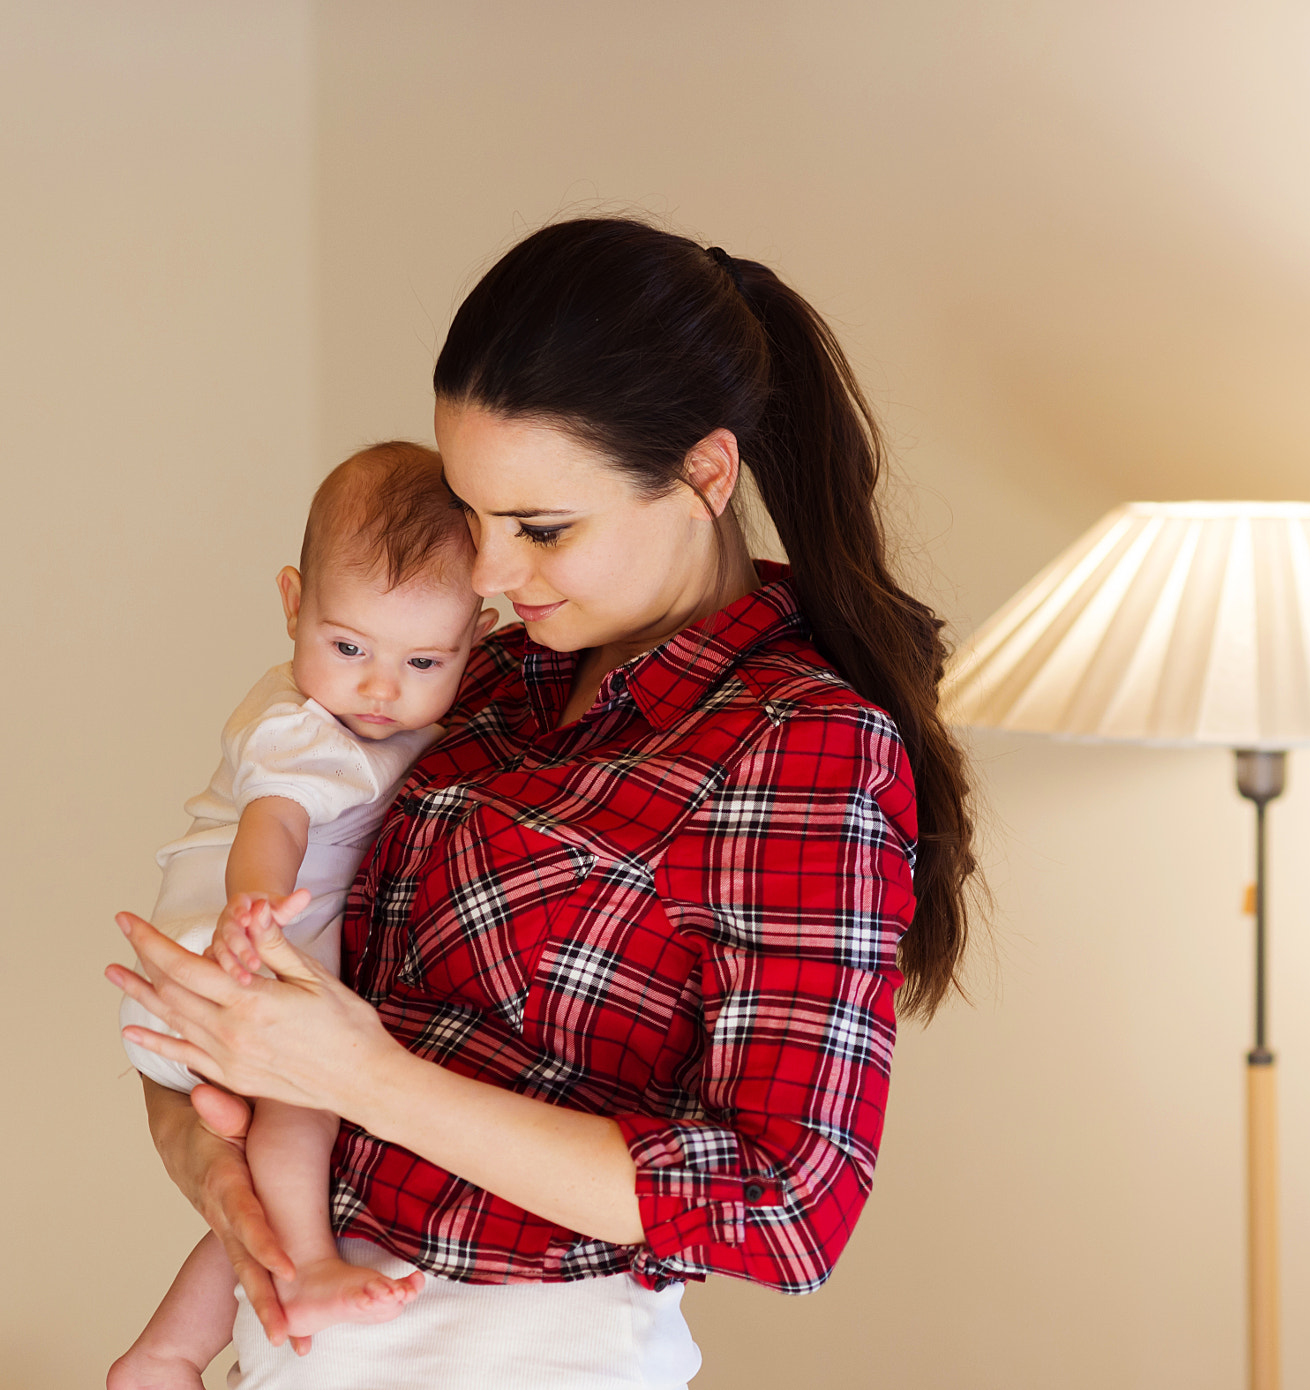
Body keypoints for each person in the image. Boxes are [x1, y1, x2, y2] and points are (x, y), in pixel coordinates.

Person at [108, 216, 977, 1388]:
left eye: (543, 528)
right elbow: (275, 998)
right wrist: (213, 1165)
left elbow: (788, 1207)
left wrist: (360, 1078)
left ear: (703, 476)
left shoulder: (801, 744)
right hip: (302, 1329)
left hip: (519, 1344)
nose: (492, 574)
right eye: (473, 515)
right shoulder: (477, 680)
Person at [111, 442, 500, 1389]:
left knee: (283, 1182)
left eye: (423, 660)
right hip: (228, 958)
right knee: (311, 1114)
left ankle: (164, 1353)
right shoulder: (299, 728)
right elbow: (273, 826)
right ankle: (315, 1272)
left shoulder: (387, 708)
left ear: (473, 638)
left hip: (207, 989)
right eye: (349, 646)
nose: (379, 687)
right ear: (293, 605)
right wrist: (255, 920)